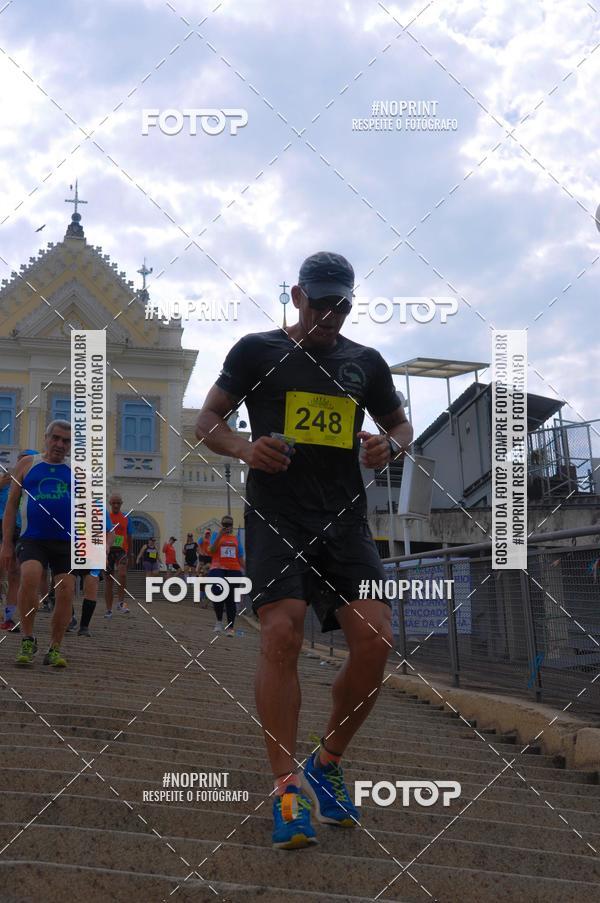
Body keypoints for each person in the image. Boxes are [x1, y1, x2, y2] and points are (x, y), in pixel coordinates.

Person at [196, 251, 413, 849]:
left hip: (345, 523)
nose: (331, 315)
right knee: (282, 633)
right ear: (297, 297)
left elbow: (401, 427)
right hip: (277, 517)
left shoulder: (365, 363)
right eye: (320, 303)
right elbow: (208, 420)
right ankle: (286, 787)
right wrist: (244, 449)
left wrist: (388, 449)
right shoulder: (256, 351)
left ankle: (328, 760)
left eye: (342, 304)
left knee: (377, 641)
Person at [0, 421, 76, 667]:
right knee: (30, 576)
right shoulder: (28, 465)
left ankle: (54, 648)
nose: (59, 444)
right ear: (46, 438)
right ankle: (28, 638)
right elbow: (11, 505)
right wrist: (7, 545)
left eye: (65, 441)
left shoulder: (77, 470)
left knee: (66, 590)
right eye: (55, 438)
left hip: (66, 541)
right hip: (33, 537)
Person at [0, 449, 38, 631]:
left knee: (15, 575)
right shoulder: (6, 480)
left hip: (23, 530)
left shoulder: (36, 484)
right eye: (21, 460)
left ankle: (9, 617)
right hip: (3, 527)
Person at [208, 515, 245, 635]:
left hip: (233, 569)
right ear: (221, 525)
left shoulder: (236, 539)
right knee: (217, 592)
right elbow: (212, 550)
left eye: (229, 525)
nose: (227, 527)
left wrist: (248, 571)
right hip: (217, 567)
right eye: (224, 524)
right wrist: (220, 535)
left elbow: (240, 557)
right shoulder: (215, 535)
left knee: (230, 598)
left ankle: (230, 627)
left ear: (232, 526)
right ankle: (219, 621)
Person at [104, 493, 133, 617]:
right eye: (113, 503)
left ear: (121, 504)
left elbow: (130, 536)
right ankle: (109, 610)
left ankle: (121, 602)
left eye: (118, 503)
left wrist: (130, 553)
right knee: (109, 581)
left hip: (121, 550)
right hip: (108, 551)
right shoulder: (106, 517)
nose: (116, 505)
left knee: (122, 574)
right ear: (110, 503)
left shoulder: (127, 518)